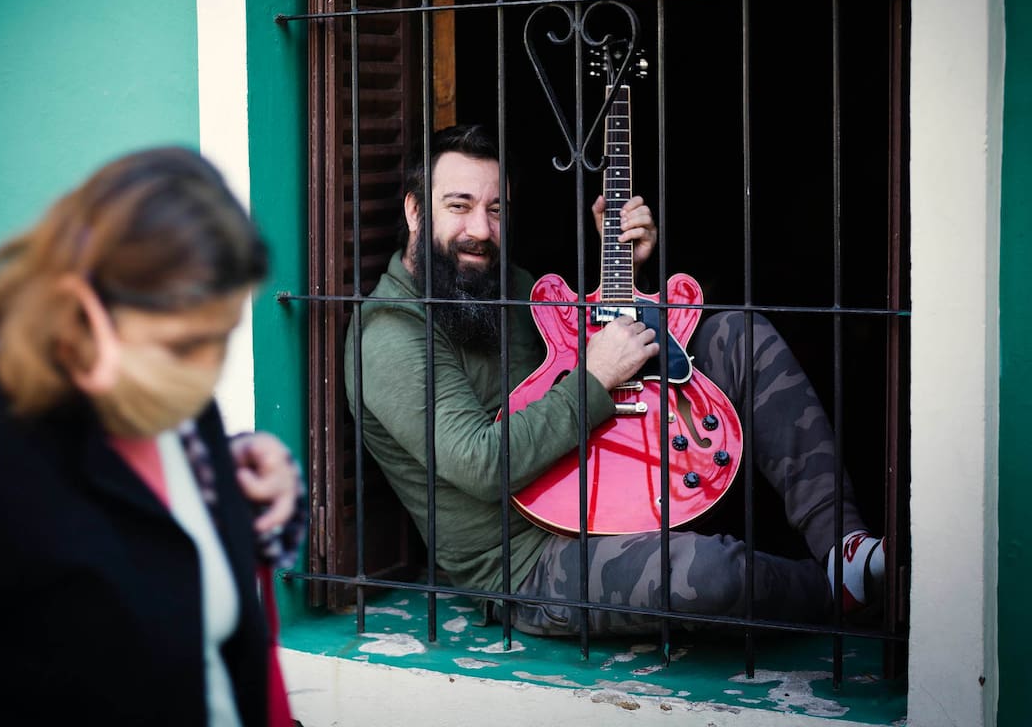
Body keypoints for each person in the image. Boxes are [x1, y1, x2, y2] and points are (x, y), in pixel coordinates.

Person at [346, 124, 885, 636]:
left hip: (594, 471)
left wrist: (625, 270)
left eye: (496, 209)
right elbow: (483, 463)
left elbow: (583, 356)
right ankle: (839, 593)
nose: (481, 230)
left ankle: (843, 544)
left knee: (738, 336)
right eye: (458, 206)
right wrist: (597, 374)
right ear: (416, 211)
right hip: (529, 559)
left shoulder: (498, 281)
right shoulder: (389, 334)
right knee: (710, 574)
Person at [0, 148, 303, 725]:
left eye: (223, 337)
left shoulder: (178, 415)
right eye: (183, 346)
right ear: (81, 306)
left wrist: (240, 487)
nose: (206, 372)